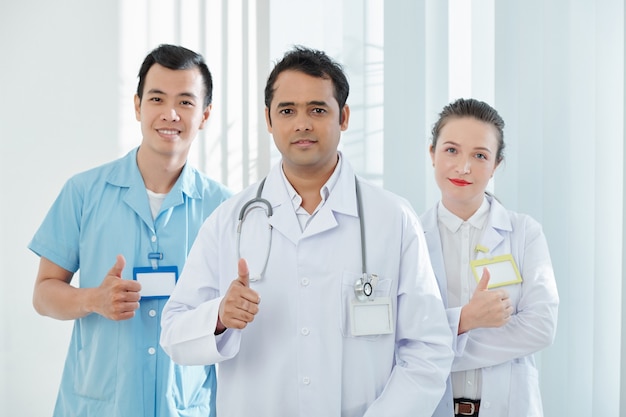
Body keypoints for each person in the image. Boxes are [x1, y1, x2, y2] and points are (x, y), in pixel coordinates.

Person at [160, 45, 454, 416]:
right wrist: (219, 316)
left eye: (318, 109)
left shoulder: (393, 219)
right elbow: (173, 333)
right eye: (287, 111)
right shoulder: (229, 221)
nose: (302, 123)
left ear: (343, 116)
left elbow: (428, 348)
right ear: (268, 119)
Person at [29, 44, 232, 417]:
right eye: (157, 98)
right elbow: (43, 294)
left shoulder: (223, 208)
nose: (169, 114)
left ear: (204, 115)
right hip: (98, 407)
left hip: (186, 408)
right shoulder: (83, 193)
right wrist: (92, 300)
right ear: (138, 106)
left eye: (186, 102)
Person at [421, 98, 559, 417]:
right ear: (432, 154)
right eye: (451, 150)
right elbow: (400, 334)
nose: (463, 167)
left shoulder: (525, 233)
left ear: (496, 164)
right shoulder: (410, 236)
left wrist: (440, 344)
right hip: (433, 407)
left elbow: (541, 326)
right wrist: (466, 319)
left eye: (480, 155)